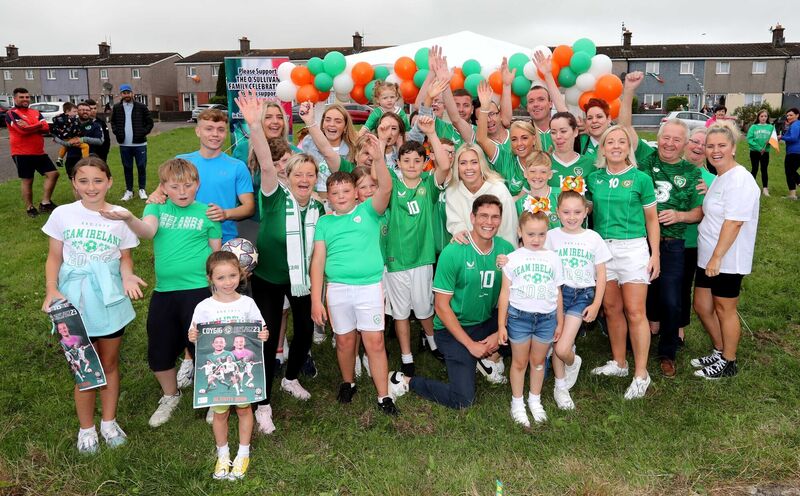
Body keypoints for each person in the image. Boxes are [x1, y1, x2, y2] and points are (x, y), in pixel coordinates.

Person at [100, 158, 222, 427]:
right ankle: (170, 395)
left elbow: (216, 255)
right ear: (164, 186)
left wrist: (218, 291)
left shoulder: (208, 213)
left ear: (197, 185)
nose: (182, 192)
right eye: (175, 186)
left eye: (188, 186)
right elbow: (147, 232)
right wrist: (130, 217)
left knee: (205, 347)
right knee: (159, 349)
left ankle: (214, 397)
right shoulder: (156, 206)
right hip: (165, 291)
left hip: (200, 292)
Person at [41, 156, 145, 454]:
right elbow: (54, 257)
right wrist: (51, 289)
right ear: (74, 184)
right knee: (83, 366)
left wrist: (127, 277)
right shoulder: (63, 214)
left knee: (109, 364)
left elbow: (125, 258)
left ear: (109, 182)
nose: (91, 187)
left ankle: (108, 422)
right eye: (83, 180)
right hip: (73, 303)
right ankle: (86, 428)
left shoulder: (119, 216)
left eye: (98, 180)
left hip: (110, 300)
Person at [239, 91, 326, 433]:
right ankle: (263, 403)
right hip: (269, 279)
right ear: (287, 175)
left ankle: (291, 378)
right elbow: (263, 159)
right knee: (268, 335)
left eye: (310, 175)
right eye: (298, 174)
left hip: (301, 280)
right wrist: (256, 126)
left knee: (305, 331)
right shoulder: (274, 197)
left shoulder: (318, 208)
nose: (304, 180)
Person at [388, 195, 515, 408]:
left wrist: (499, 332)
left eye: (495, 217)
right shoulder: (453, 252)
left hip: (489, 321)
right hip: (454, 329)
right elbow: (441, 306)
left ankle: (489, 359)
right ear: (472, 217)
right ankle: (405, 380)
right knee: (463, 400)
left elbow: (514, 297)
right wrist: (471, 345)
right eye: (483, 216)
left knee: (530, 329)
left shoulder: (506, 249)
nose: (489, 222)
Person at [620, 74, 705, 378]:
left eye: (676, 140)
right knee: (641, 294)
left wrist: (680, 217)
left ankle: (668, 350)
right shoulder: (646, 158)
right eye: (666, 137)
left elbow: (698, 211)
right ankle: (637, 341)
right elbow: (626, 130)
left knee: (671, 297)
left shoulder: (690, 172)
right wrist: (629, 90)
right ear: (659, 137)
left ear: (685, 144)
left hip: (672, 244)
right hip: (638, 241)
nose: (669, 143)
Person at [310, 136, 399, 415]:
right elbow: (317, 262)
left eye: (346, 191)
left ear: (356, 193)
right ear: (328, 196)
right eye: (334, 194)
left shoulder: (369, 211)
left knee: (374, 341)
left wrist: (379, 157)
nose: (341, 197)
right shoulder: (324, 223)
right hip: (337, 289)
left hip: (369, 287)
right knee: (345, 340)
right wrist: (316, 299)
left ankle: (384, 396)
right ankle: (348, 382)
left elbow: (385, 187)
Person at [586, 126, 660, 399]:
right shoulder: (595, 179)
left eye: (621, 141)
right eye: (610, 142)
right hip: (603, 249)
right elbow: (586, 208)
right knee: (611, 308)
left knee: (635, 311)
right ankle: (619, 363)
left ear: (629, 147)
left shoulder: (641, 179)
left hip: (633, 249)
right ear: (602, 148)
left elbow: (652, 220)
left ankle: (641, 373)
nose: (616, 146)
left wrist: (655, 254)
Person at [188, 251, 268, 480]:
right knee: (220, 413)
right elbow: (195, 334)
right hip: (218, 371)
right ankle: (223, 454)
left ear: (241, 274)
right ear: (210, 278)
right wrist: (193, 335)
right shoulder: (204, 306)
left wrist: (264, 334)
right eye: (221, 277)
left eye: (233, 275)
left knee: (244, 409)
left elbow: (260, 330)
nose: (227, 282)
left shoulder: (248, 303)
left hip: (241, 371)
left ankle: (243, 453)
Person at [692, 124, 760, 379]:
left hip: (727, 259)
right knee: (701, 305)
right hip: (709, 255)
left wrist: (718, 256)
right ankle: (720, 350)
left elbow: (734, 222)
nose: (715, 150)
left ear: (733, 148)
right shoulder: (721, 176)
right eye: (710, 146)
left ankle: (729, 361)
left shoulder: (741, 179)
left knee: (724, 308)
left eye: (722, 145)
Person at [383, 139, 451, 377]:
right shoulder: (392, 182)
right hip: (396, 260)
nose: (411, 165)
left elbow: (444, 166)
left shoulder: (428, 185)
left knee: (424, 308)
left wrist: (432, 133)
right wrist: (381, 142)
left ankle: (432, 342)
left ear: (424, 163)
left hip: (422, 258)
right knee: (401, 312)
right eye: (406, 160)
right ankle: (406, 356)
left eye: (417, 160)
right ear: (398, 163)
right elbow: (377, 172)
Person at [144, 108, 255, 243]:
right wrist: (155, 196)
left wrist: (225, 214)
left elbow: (249, 207)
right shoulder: (182, 161)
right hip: (186, 237)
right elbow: (160, 192)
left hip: (224, 237)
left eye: (220, 129)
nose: (215, 134)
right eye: (209, 129)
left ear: (226, 133)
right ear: (198, 131)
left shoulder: (237, 166)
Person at [498, 209, 564, 426]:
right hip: (519, 318)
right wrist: (501, 325)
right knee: (519, 362)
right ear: (520, 232)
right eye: (531, 234)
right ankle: (517, 402)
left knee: (538, 362)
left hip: (546, 319)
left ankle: (534, 400)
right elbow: (505, 293)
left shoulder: (553, 258)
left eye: (541, 234)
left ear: (547, 233)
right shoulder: (512, 259)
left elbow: (558, 292)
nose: (536, 239)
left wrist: (559, 321)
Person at [545, 191, 610, 410]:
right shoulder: (551, 236)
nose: (571, 217)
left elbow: (601, 274)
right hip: (558, 294)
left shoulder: (593, 238)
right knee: (557, 344)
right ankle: (560, 387)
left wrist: (597, 303)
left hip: (582, 295)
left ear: (585, 213)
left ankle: (573, 361)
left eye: (577, 212)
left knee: (563, 349)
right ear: (557, 213)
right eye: (566, 212)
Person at [679, 129, 716, 346]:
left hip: (692, 242)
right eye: (694, 141)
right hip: (660, 238)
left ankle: (679, 329)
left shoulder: (713, 179)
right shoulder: (669, 168)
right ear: (686, 143)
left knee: (683, 286)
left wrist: (711, 193)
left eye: (705, 144)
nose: (698, 147)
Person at [476, 81, 544, 196]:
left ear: (534, 139)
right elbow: (481, 139)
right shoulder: (505, 160)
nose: (519, 143)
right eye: (514, 139)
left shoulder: (544, 162)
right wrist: (484, 107)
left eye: (524, 138)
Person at [446, 143, 518, 247]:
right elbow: (455, 223)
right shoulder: (452, 191)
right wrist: (460, 231)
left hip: (499, 252)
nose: (468, 168)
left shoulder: (499, 190)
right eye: (463, 163)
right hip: (469, 251)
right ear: (457, 166)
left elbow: (509, 229)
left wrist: (508, 256)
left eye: (474, 162)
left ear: (482, 164)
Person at [5, 87, 59, 217]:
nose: (25, 99)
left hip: (39, 152)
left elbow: (46, 128)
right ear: (15, 98)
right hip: (21, 153)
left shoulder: (35, 112)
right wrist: (38, 126)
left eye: (27, 97)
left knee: (53, 174)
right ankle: (30, 208)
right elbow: (22, 130)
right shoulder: (11, 113)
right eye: (21, 97)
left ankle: (45, 203)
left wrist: (32, 126)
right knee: (28, 180)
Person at [110, 84, 153, 201]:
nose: (126, 95)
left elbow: (150, 122)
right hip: (124, 144)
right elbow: (112, 122)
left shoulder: (141, 107)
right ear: (121, 94)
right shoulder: (117, 108)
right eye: (124, 93)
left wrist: (142, 132)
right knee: (127, 167)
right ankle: (129, 190)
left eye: (128, 92)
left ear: (132, 93)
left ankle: (142, 189)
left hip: (140, 144)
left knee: (141, 166)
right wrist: (117, 132)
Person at [548, 112, 596, 192]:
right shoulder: (544, 163)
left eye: (563, 131)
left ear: (575, 132)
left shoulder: (589, 164)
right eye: (553, 132)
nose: (558, 136)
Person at [516, 152, 561, 229]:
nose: (537, 176)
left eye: (543, 172)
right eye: (532, 171)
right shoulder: (519, 204)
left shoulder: (561, 195)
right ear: (525, 173)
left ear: (550, 174)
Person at [62, 102, 104, 180]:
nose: (85, 112)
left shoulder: (95, 125)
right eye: (82, 110)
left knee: (88, 181)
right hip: (72, 157)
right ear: (77, 111)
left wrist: (82, 139)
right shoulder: (69, 124)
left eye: (87, 110)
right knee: (74, 181)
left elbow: (100, 141)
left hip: (89, 158)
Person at [746, 109, 774, 197]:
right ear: (758, 117)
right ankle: (751, 188)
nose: (763, 118)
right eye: (761, 116)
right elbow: (749, 139)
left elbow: (773, 139)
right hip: (754, 152)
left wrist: (770, 142)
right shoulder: (754, 127)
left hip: (765, 152)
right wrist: (758, 148)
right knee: (754, 169)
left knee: (764, 170)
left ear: (767, 117)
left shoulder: (770, 127)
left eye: (765, 116)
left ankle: (765, 189)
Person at [51, 102, 89, 167]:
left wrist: (56, 136)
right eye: (74, 111)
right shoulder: (72, 119)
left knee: (65, 146)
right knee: (85, 146)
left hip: (65, 138)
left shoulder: (59, 118)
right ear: (67, 111)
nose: (76, 113)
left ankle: (60, 158)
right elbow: (77, 129)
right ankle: (85, 160)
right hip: (72, 138)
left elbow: (54, 128)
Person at [779, 108, 800, 200]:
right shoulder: (795, 124)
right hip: (795, 152)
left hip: (794, 152)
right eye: (787, 115)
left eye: (791, 115)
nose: (788, 117)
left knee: (790, 172)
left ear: (797, 115)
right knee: (791, 172)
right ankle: (792, 194)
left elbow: (793, 138)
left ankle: (792, 195)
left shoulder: (796, 125)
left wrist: (782, 137)